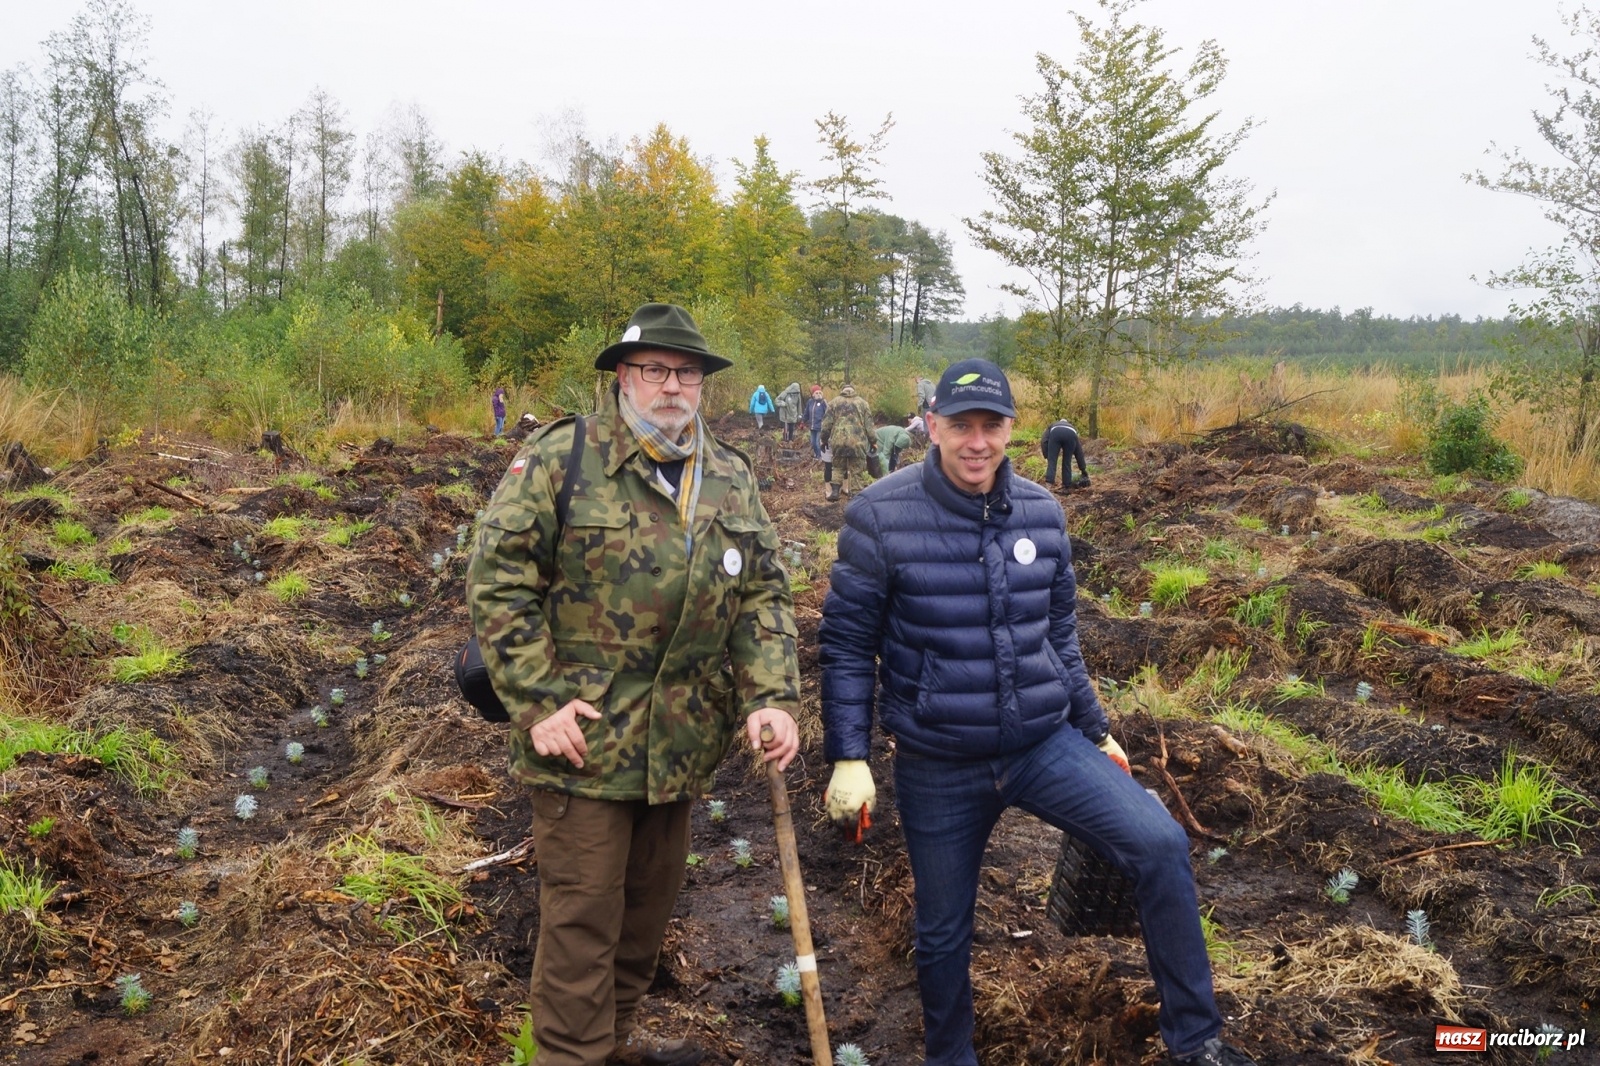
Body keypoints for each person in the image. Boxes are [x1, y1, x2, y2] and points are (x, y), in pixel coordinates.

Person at [817, 358, 1260, 1066]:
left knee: (1159, 845)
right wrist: (848, 756)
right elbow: (844, 646)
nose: (976, 441)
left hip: (1040, 743)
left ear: (1011, 430)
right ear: (932, 426)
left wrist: (1096, 729)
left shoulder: (1042, 513)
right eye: (960, 425)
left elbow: (1057, 638)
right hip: (939, 758)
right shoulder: (879, 515)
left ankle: (1197, 1039)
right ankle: (951, 1056)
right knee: (941, 930)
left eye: (991, 425)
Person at [467, 303, 801, 1066]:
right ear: (623, 376)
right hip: (584, 742)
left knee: (642, 926)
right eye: (656, 370)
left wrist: (771, 697)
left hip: (678, 745)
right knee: (582, 929)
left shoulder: (728, 475)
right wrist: (540, 702)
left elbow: (762, 596)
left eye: (688, 373)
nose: (673, 386)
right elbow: (498, 581)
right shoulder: (564, 457)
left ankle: (608, 1048)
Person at [819, 384, 874, 502]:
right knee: (857, 470)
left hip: (839, 441)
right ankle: (855, 495)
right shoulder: (863, 403)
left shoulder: (833, 403)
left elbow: (826, 424)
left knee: (838, 467)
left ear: (842, 391)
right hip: (858, 442)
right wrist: (873, 441)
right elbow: (869, 426)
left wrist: (824, 439)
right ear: (854, 390)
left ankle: (834, 492)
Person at [1042, 417, 1090, 489]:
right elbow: (1078, 451)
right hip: (1070, 436)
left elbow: (1044, 440)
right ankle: (1066, 487)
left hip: (1056, 433)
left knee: (1052, 462)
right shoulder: (1072, 429)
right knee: (1067, 462)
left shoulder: (1053, 425)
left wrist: (1047, 456)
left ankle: (1048, 485)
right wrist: (1083, 469)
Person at [804, 386, 828, 458]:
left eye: (819, 392)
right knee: (813, 443)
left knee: (818, 443)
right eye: (816, 393)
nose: (818, 394)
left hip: (820, 426)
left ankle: (820, 457)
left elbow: (828, 413)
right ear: (813, 394)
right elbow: (806, 413)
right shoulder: (810, 402)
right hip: (812, 426)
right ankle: (816, 455)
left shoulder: (823, 402)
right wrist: (803, 421)